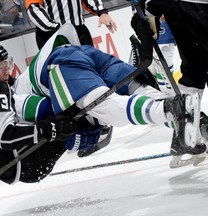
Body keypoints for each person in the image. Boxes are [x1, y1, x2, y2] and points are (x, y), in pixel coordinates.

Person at [13, 24, 201, 156]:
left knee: (107, 107)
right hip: (86, 53)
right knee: (137, 89)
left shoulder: (12, 98)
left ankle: (169, 109)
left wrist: (70, 133)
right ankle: (196, 125)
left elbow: (45, 111)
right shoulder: (23, 79)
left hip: (62, 62)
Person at [0, 43, 104, 184]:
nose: (7, 71)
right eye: (1, 67)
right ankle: (96, 129)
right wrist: (48, 129)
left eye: (7, 64)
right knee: (70, 118)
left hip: (8, 165)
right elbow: (6, 137)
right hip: (23, 162)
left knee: (56, 110)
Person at [129, 0, 208, 167]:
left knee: (194, 68)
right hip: (197, 5)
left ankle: (184, 139)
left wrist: (149, 9)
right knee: (194, 67)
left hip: (172, 5)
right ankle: (185, 136)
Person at [25, 0, 117, 49]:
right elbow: (33, 9)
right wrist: (54, 27)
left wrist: (102, 12)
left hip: (79, 31)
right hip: (52, 36)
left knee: (91, 66)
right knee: (64, 75)